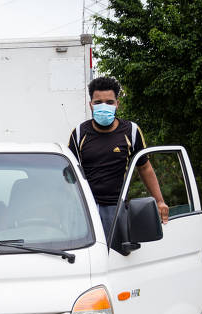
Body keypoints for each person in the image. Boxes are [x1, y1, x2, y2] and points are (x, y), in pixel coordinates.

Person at [68, 76, 168, 238]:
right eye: (98, 102)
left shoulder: (131, 131)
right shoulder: (79, 133)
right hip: (85, 210)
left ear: (117, 104)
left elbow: (145, 167)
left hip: (116, 209)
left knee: (116, 251)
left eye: (109, 102)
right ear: (90, 105)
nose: (104, 106)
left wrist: (159, 201)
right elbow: (68, 174)